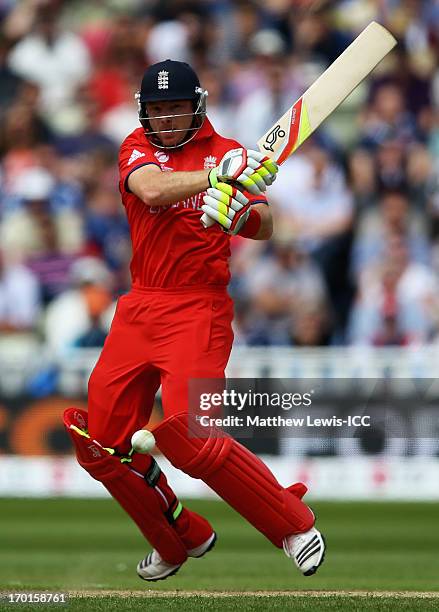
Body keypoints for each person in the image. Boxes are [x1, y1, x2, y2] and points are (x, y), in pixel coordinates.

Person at [64, 59, 325, 582]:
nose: (164, 119)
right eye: (155, 109)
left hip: (199, 310)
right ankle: (179, 536)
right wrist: (214, 179)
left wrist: (238, 215)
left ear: (196, 106)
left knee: (193, 434)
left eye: (174, 108)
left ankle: (293, 525)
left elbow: (266, 224)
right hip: (140, 307)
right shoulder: (135, 147)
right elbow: (153, 190)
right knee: (100, 443)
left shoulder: (228, 151)